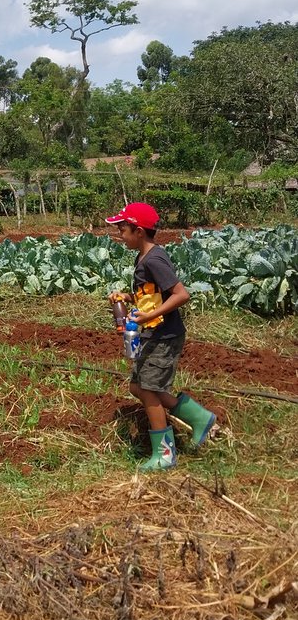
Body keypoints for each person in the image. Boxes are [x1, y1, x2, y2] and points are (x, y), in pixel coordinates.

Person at [106, 202, 216, 471]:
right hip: (151, 333)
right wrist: (127, 297)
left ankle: (165, 455)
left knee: (151, 391)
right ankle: (200, 418)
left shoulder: (155, 259)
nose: (120, 235)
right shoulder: (143, 258)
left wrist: (147, 315)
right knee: (137, 388)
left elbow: (181, 294)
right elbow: (152, 294)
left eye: (122, 229)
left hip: (164, 335)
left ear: (139, 231)